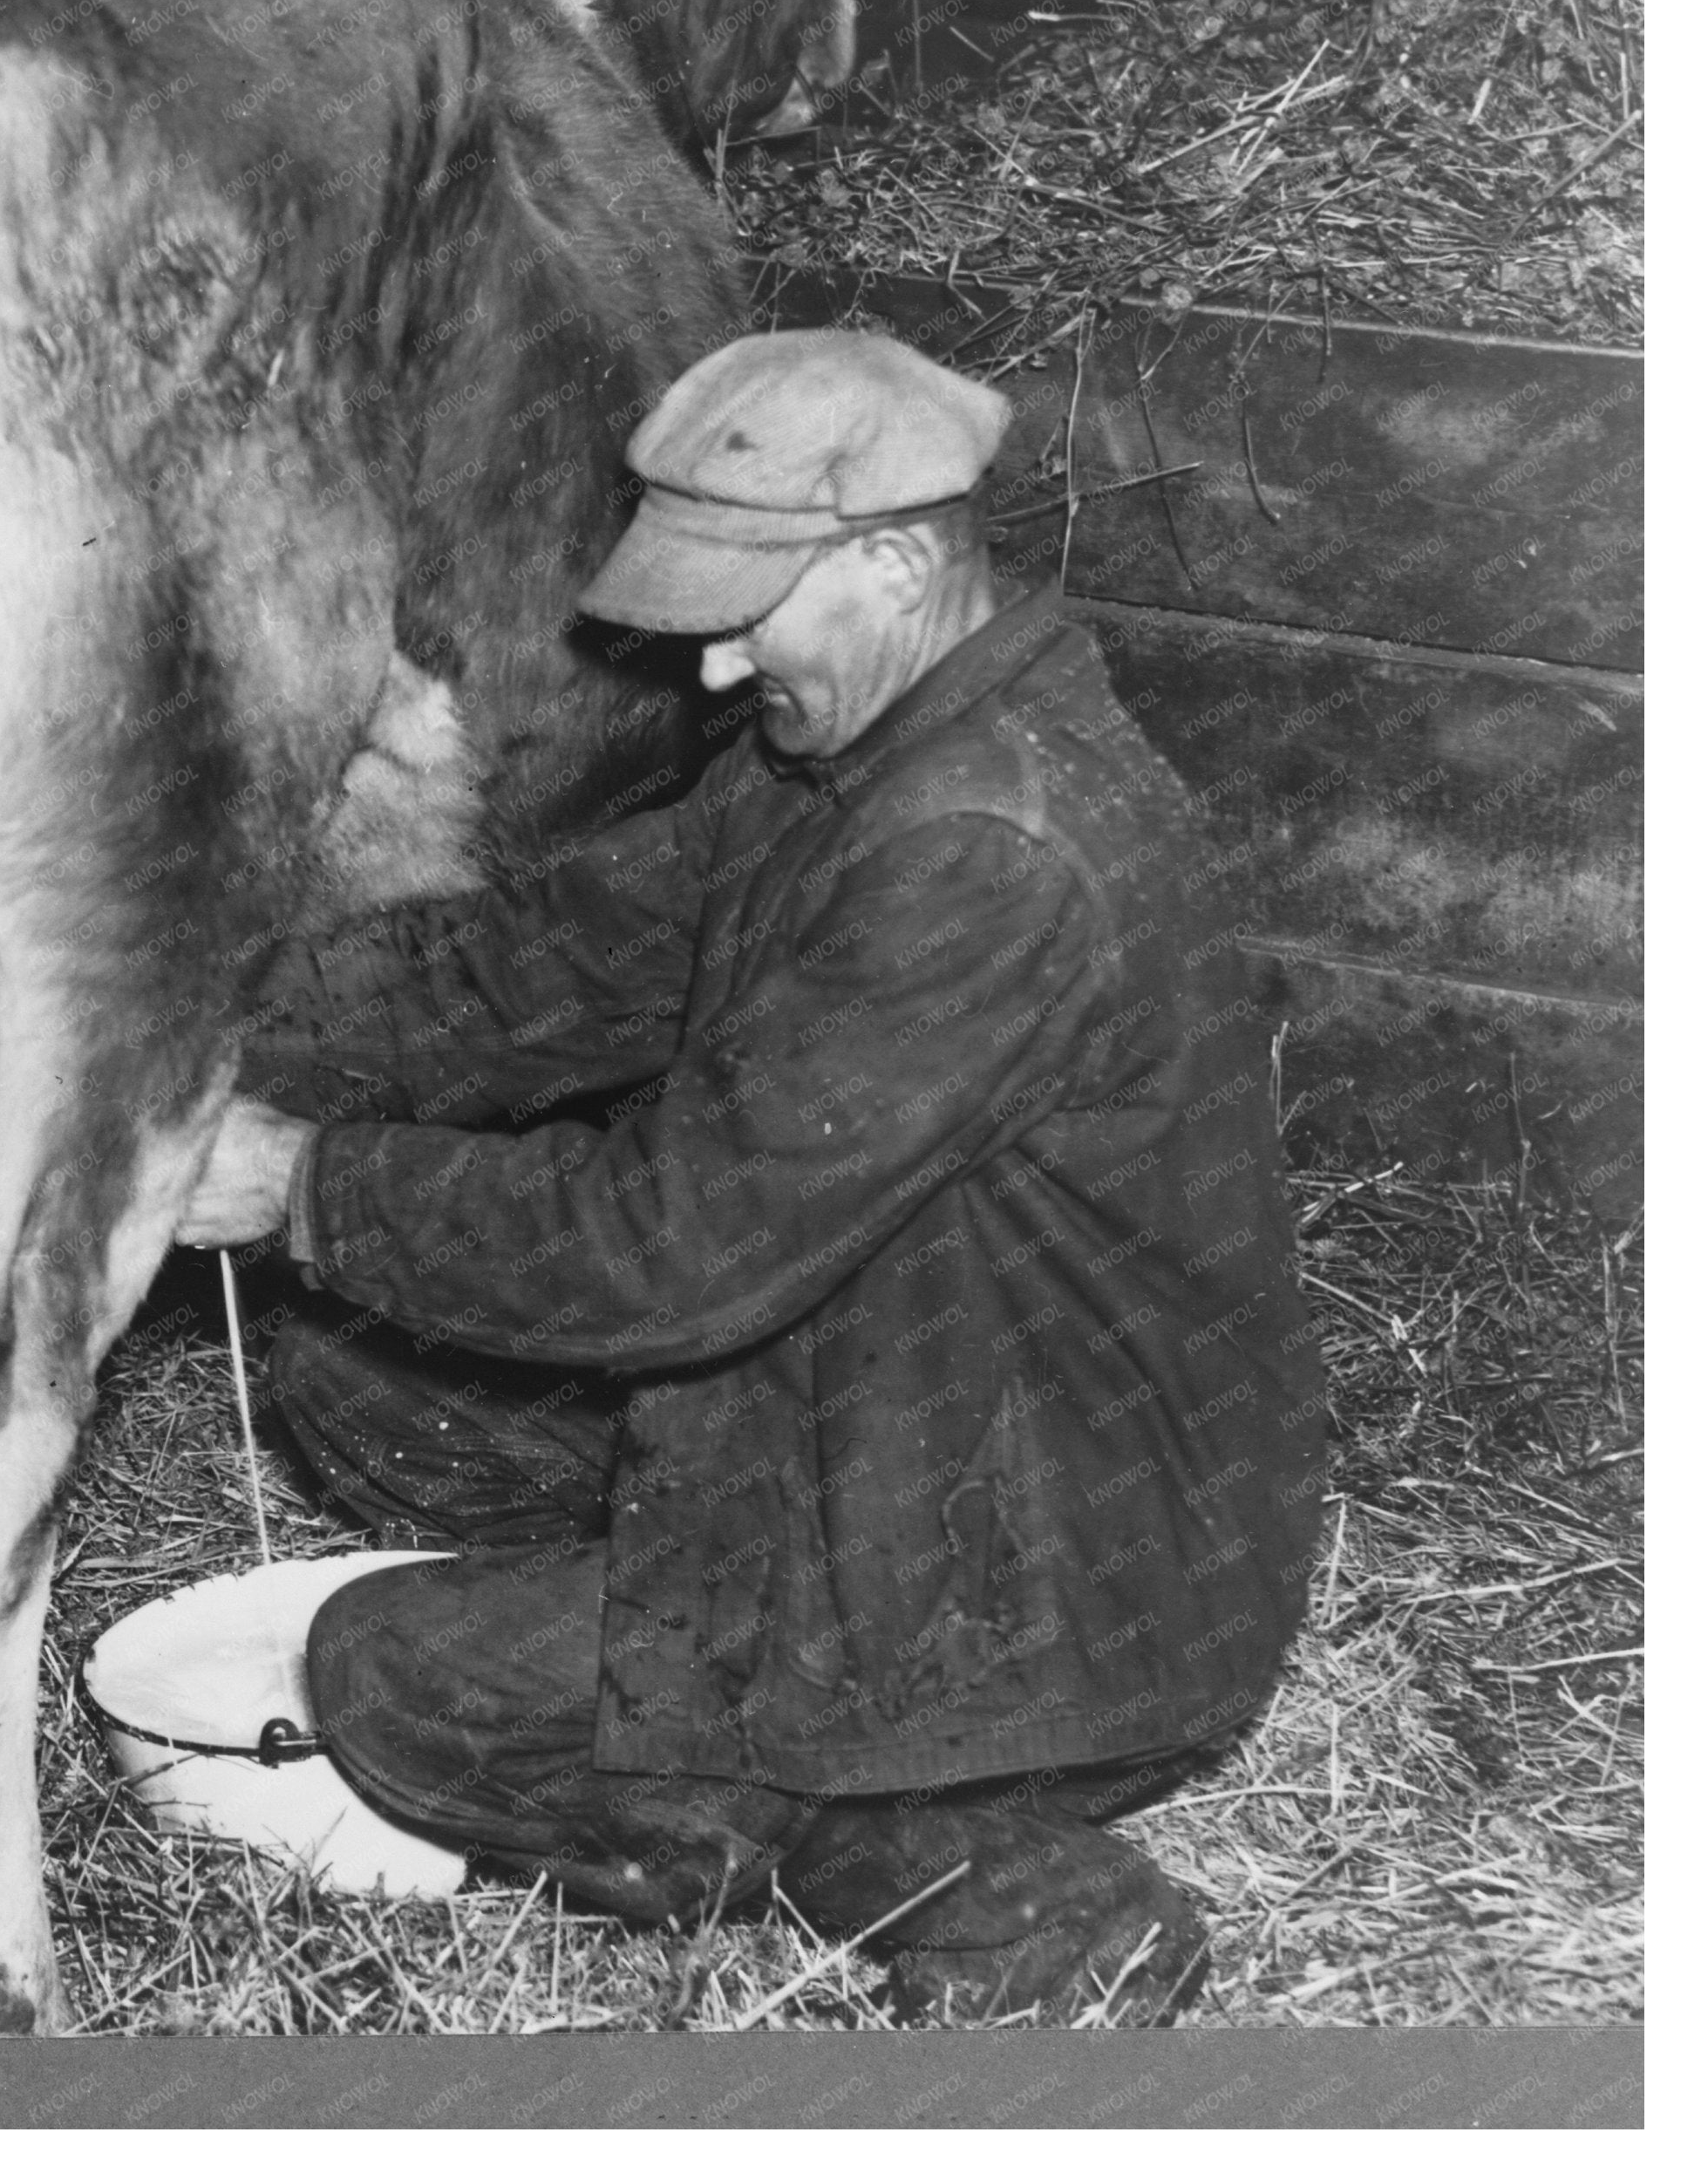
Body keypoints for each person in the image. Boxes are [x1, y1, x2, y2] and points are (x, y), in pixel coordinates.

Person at [160, 328, 1330, 2026]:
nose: (712, 671)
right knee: (355, 1375)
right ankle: (738, 1682)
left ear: (897, 558)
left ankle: (997, 1891)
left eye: (745, 608)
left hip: (1062, 1555)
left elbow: (671, 1248)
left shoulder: (984, 848)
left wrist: (304, 1190)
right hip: (890, 1394)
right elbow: (539, 965)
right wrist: (196, 1053)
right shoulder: (840, 759)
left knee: (396, 1685)